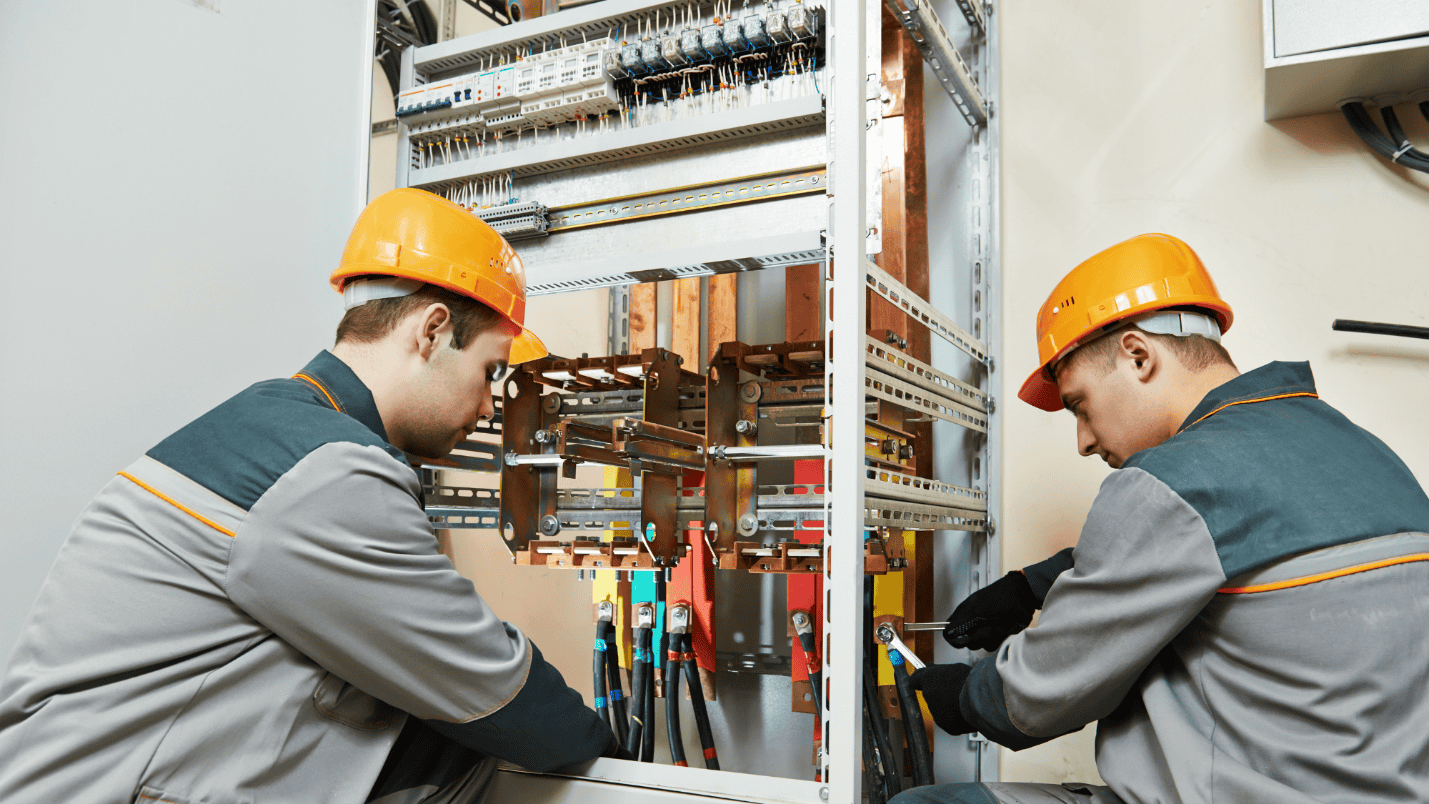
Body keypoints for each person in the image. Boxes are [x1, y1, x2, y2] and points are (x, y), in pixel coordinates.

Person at [0, 188, 620, 803]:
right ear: (431, 331)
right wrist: (621, 761)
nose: (489, 405)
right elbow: (488, 688)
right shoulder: (330, 472)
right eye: (490, 372)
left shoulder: (275, 422)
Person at [894, 234, 1429, 804]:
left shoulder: (1173, 480)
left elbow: (1042, 695)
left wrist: (966, 697)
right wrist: (1032, 586)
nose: (1083, 440)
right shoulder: (1361, 452)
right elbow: (1225, 545)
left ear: (1138, 356)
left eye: (1079, 404)